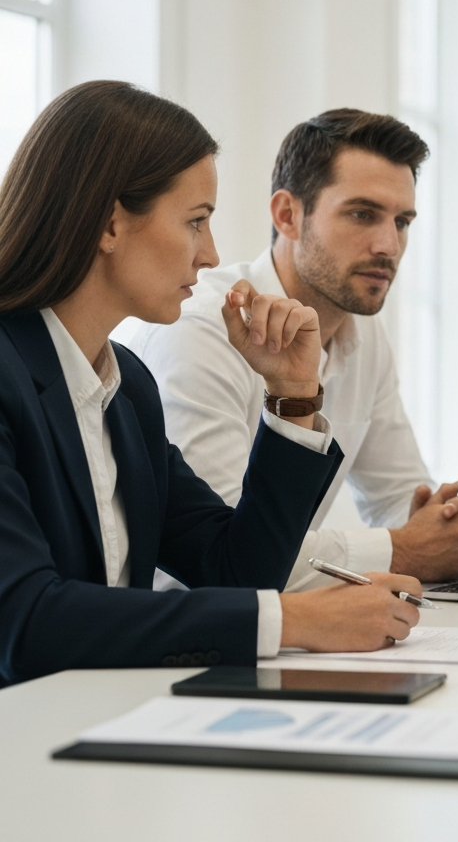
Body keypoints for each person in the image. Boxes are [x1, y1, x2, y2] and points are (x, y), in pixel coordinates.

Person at [0, 81, 422, 686]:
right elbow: (23, 619)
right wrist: (292, 620)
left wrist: (294, 397)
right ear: (110, 223)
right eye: (196, 222)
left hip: (105, 721)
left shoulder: (127, 389)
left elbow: (236, 569)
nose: (211, 254)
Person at [132, 108, 458, 591]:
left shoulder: (362, 336)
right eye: (362, 214)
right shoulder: (202, 330)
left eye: (402, 221)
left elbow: (397, 497)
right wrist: (405, 548)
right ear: (288, 215)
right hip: (191, 642)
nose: (389, 245)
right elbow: (229, 556)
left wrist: (443, 522)